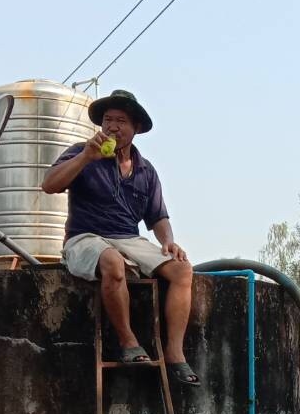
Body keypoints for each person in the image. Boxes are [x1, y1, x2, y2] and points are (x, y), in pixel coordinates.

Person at [42, 88, 200, 386]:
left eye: (121, 121)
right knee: (113, 262)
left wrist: (168, 241)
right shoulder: (81, 151)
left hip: (128, 238)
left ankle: (175, 353)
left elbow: (158, 217)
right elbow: (49, 185)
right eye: (108, 120)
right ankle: (129, 342)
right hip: (84, 236)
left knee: (182, 269)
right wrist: (85, 158)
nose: (112, 127)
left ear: (135, 128)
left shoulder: (146, 171)